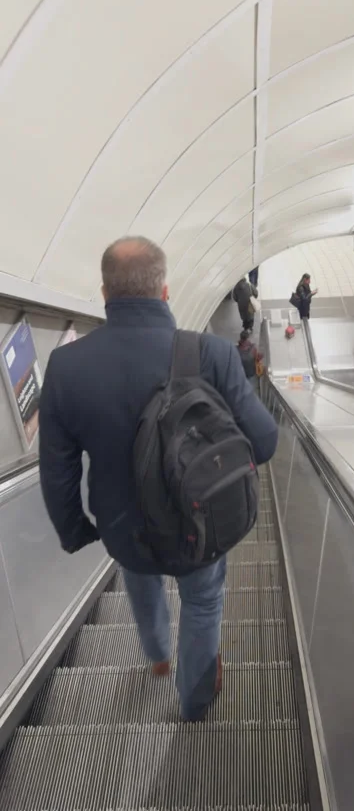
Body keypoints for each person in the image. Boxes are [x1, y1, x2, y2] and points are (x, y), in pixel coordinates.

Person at [39, 237, 278, 722]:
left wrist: (77, 531)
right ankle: (193, 703)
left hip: (123, 530)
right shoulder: (211, 354)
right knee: (203, 601)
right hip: (201, 526)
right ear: (165, 292)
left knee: (140, 580)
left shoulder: (66, 367)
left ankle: (158, 659)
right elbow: (266, 441)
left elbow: (56, 472)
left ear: (104, 293)